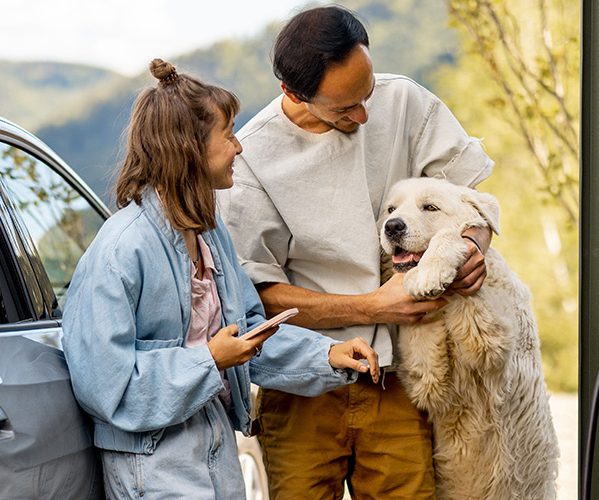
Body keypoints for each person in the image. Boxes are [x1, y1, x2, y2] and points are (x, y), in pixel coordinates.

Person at [62, 59, 381, 500]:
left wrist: (326, 355)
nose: (239, 147)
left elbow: (247, 337)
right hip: (154, 473)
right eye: (228, 135)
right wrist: (209, 360)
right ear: (189, 148)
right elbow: (105, 388)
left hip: (217, 460)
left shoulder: (210, 235)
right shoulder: (121, 251)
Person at [215, 6, 497, 499]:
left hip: (400, 376)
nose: (364, 115)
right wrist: (372, 307)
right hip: (301, 385)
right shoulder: (251, 159)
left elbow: (473, 200)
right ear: (293, 94)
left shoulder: (405, 100)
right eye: (346, 108)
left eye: (366, 94)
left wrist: (472, 246)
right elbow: (258, 297)